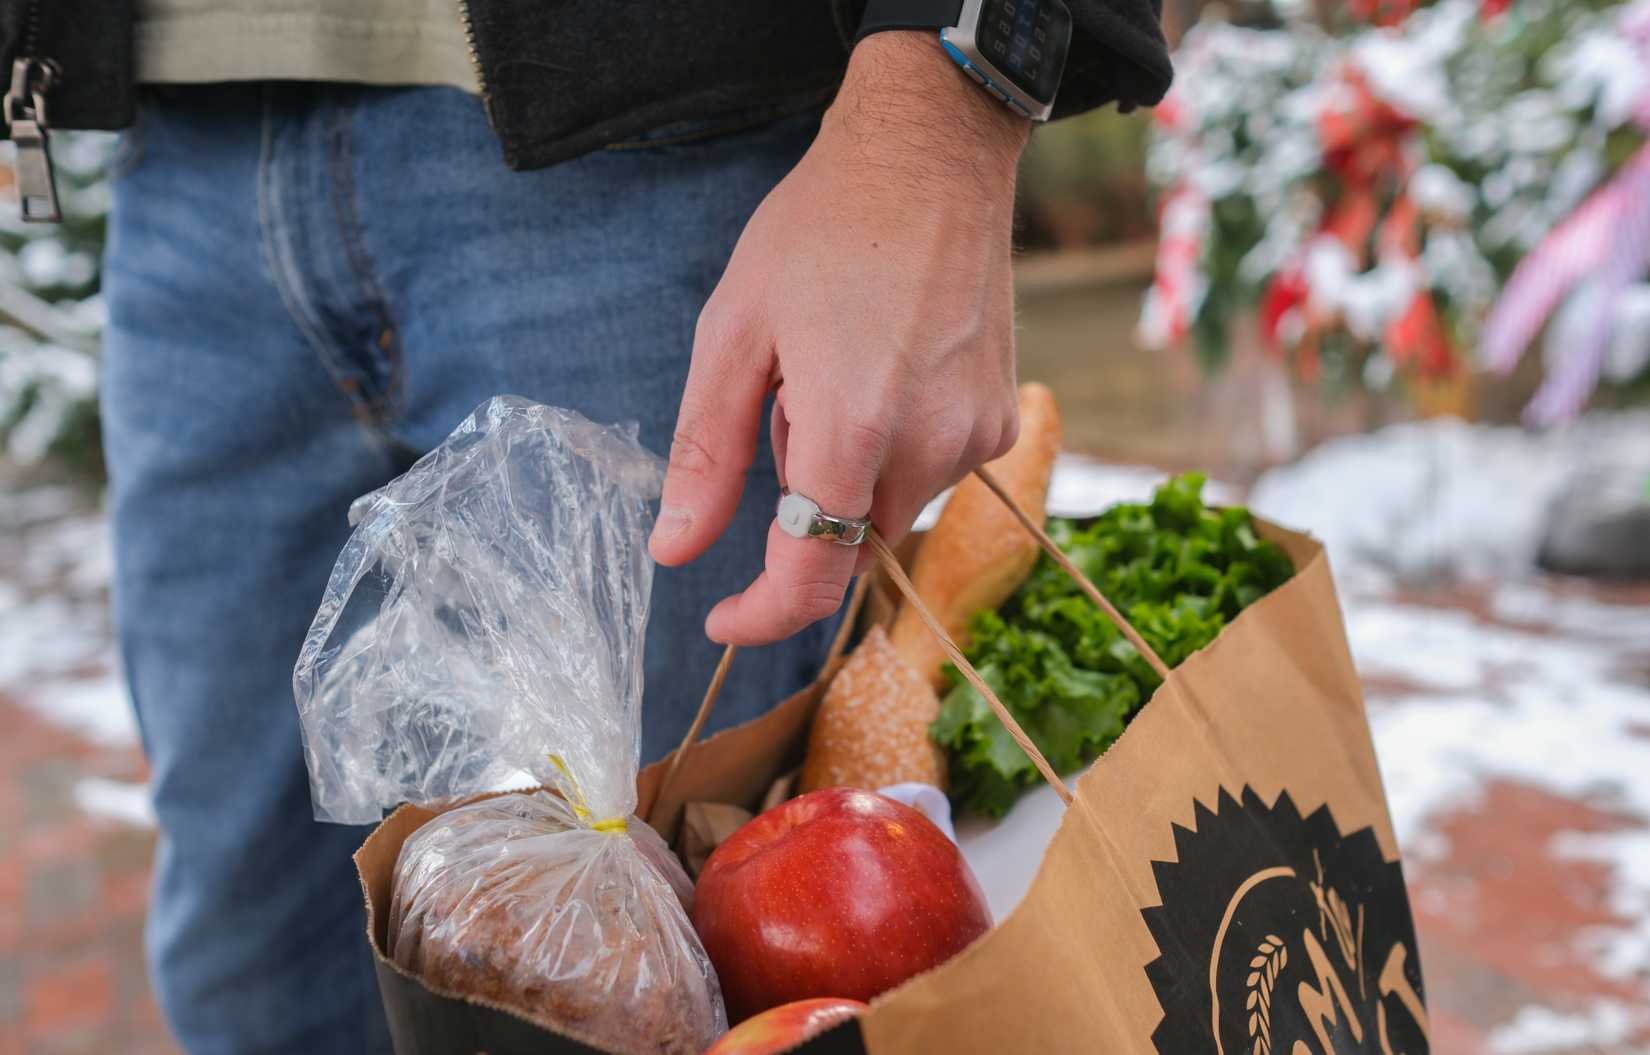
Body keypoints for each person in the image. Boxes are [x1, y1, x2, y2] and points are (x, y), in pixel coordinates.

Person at [3, 1, 1168, 1051]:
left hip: (655, 134)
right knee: (247, 979)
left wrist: (948, 102)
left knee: (674, 976)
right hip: (175, 155)